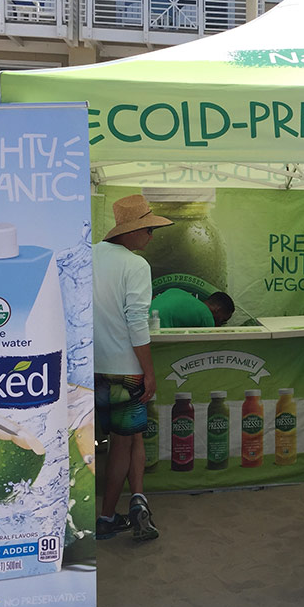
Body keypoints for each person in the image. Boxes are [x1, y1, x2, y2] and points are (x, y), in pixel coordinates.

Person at [93, 194, 173, 542]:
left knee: (103, 444)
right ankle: (107, 516)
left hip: (87, 369)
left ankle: (135, 503)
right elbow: (137, 322)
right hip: (124, 370)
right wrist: (149, 372)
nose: (150, 236)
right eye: (147, 229)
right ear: (129, 232)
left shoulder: (87, 256)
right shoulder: (136, 266)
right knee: (121, 446)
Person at [150, 287, 234, 328]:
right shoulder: (206, 316)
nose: (219, 326)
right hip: (157, 336)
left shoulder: (175, 291)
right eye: (222, 321)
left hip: (142, 329)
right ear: (217, 309)